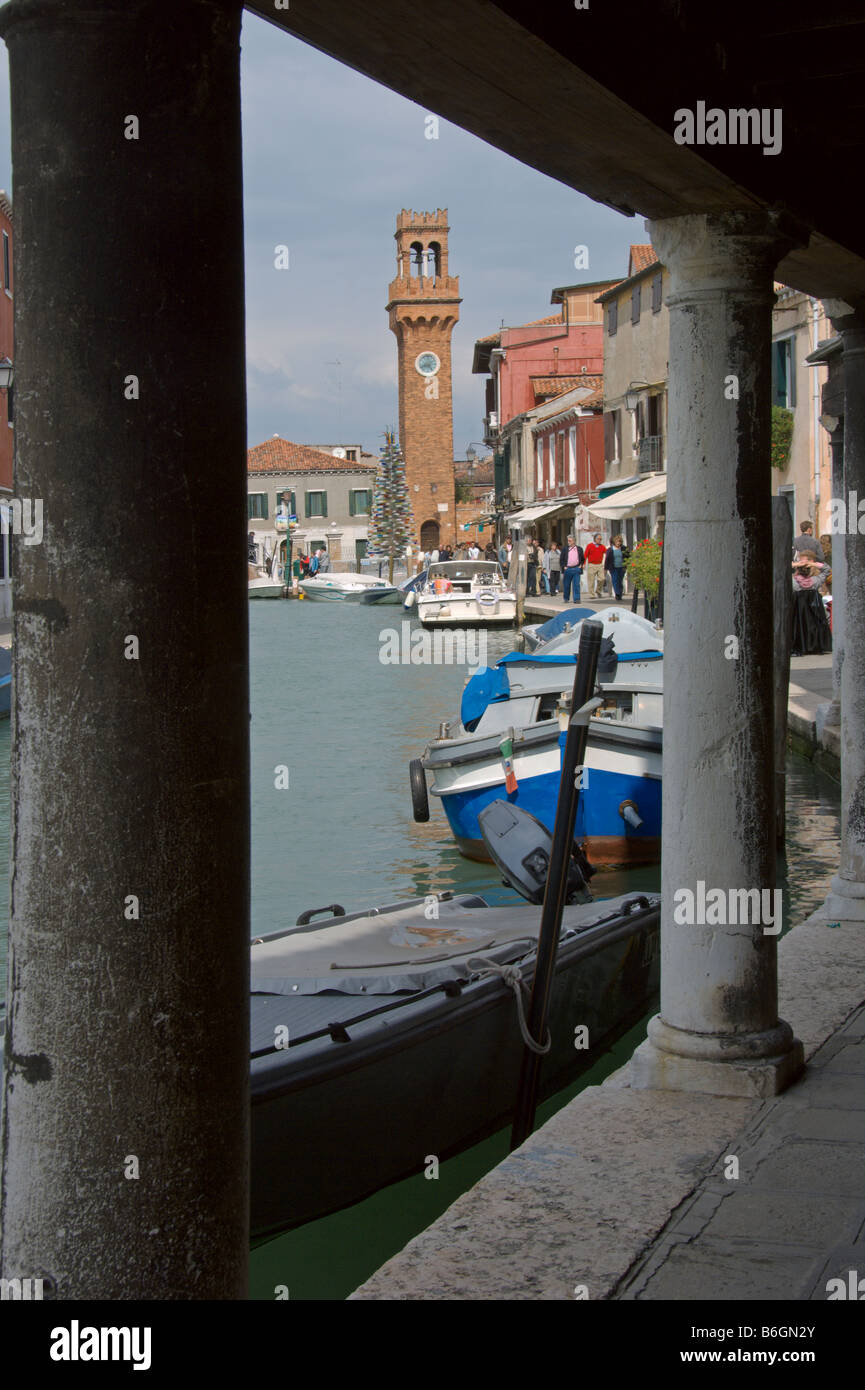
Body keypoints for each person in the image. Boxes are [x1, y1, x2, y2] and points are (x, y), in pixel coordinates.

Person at [561, 534, 584, 603]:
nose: (568, 542)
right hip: (568, 569)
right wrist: (564, 567)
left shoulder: (579, 549)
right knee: (566, 585)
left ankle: (577, 599)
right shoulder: (565, 549)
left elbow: (582, 558)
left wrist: (581, 565)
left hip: (576, 568)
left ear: (574, 541)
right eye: (568, 541)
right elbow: (561, 559)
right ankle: (566, 598)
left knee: (576, 584)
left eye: (570, 541)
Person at [604, 533, 627, 600]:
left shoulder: (624, 549)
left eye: (619, 541)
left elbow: (628, 557)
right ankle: (617, 593)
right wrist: (605, 569)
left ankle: (620, 592)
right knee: (615, 580)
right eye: (617, 541)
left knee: (620, 580)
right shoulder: (610, 550)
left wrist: (626, 566)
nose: (618, 543)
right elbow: (607, 559)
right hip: (613, 568)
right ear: (614, 542)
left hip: (621, 567)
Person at [584, 533, 607, 599]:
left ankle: (598, 590)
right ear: (595, 539)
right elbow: (585, 555)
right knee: (591, 580)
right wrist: (584, 563)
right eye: (598, 539)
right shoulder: (590, 546)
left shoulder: (602, 546)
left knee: (602, 578)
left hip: (599, 565)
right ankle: (591, 594)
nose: (599, 540)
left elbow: (607, 553)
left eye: (600, 539)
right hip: (591, 564)